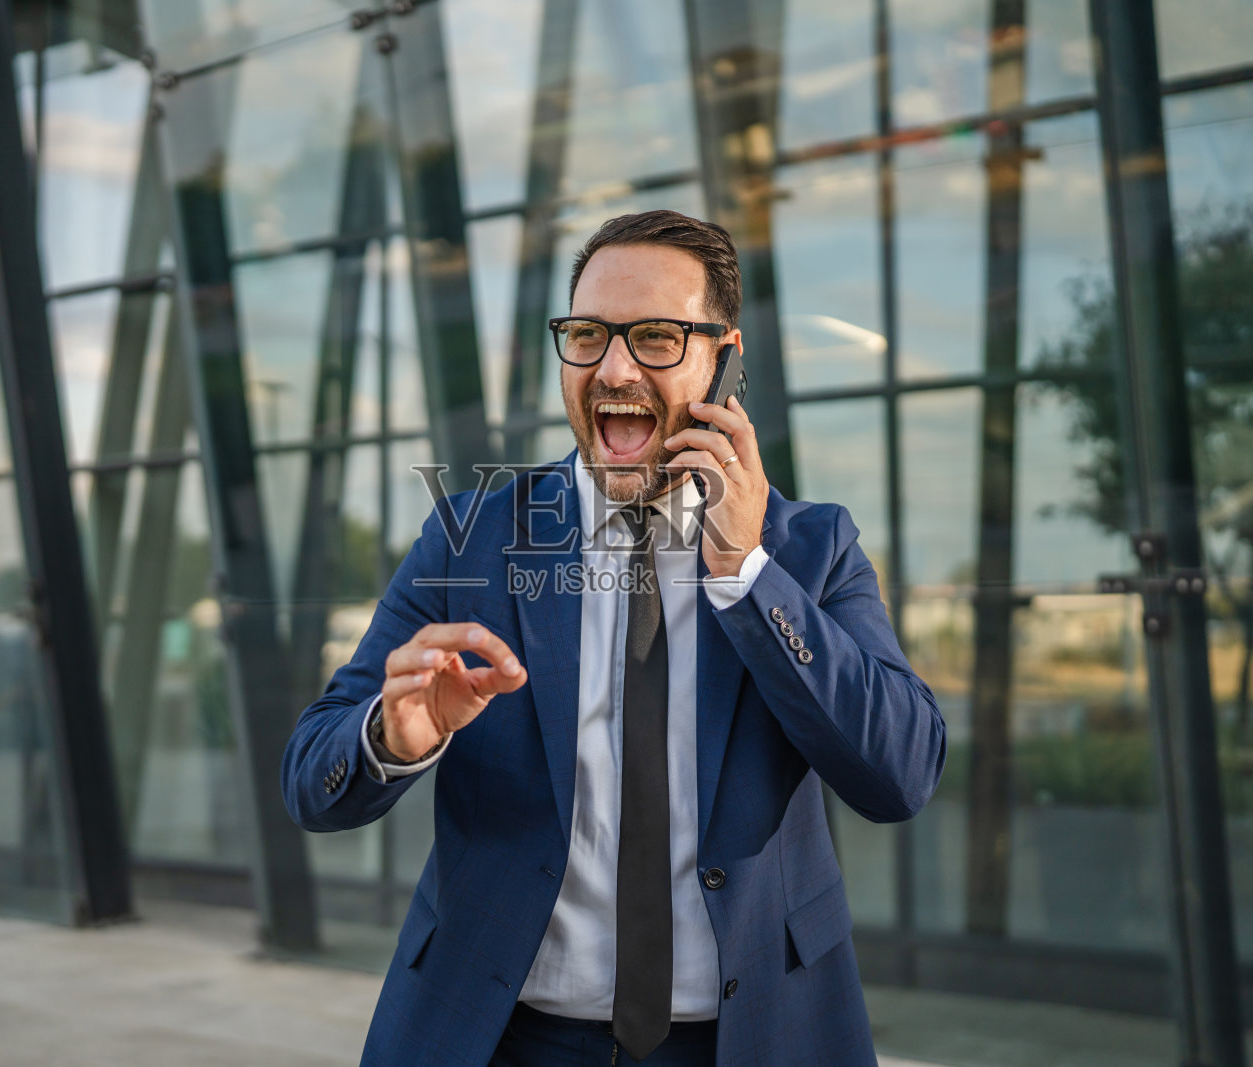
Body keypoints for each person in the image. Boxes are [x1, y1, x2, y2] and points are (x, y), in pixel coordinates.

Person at [282, 210, 946, 1066]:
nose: (615, 367)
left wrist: (744, 570)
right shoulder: (471, 538)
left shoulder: (812, 549)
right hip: (501, 1036)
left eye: (658, 337)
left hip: (751, 1038)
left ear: (726, 358)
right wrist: (389, 735)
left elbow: (901, 774)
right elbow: (313, 775)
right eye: (588, 335)